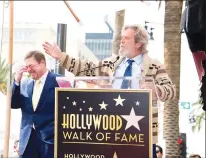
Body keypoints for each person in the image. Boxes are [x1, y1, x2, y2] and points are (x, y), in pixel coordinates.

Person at [42, 24, 176, 157]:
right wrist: (61, 56)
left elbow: (171, 90)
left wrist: (156, 89)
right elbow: (85, 68)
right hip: (110, 132)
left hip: (141, 134)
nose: (121, 41)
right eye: (122, 37)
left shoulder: (154, 65)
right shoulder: (110, 63)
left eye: (126, 38)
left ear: (139, 44)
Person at [11, 50, 60, 158]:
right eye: (26, 67)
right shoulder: (24, 84)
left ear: (42, 63)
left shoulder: (59, 81)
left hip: (51, 142)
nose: (28, 70)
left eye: (31, 66)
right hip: (28, 141)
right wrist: (16, 81)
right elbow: (13, 104)